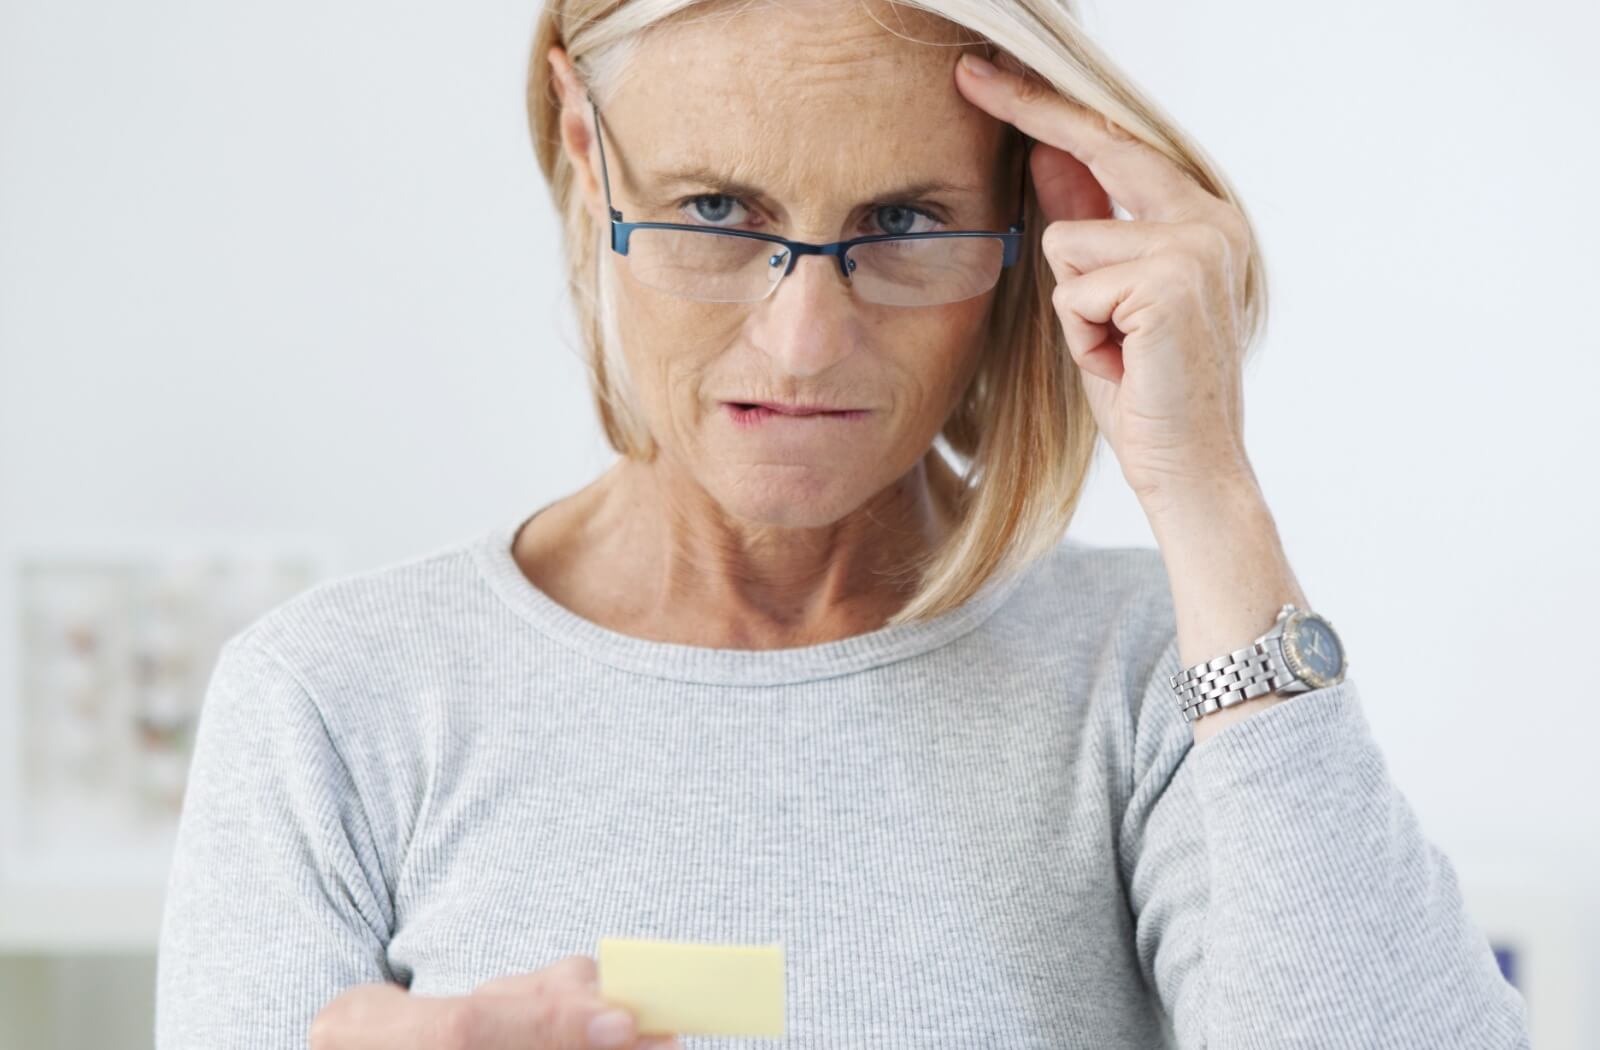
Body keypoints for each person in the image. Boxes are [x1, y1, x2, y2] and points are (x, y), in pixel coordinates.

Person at [154, 0, 1533, 1047]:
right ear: (589, 154)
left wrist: (1207, 483)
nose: (805, 340)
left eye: (904, 220)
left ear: (1023, 211)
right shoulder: (329, 696)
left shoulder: (1156, 675)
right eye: (715, 210)